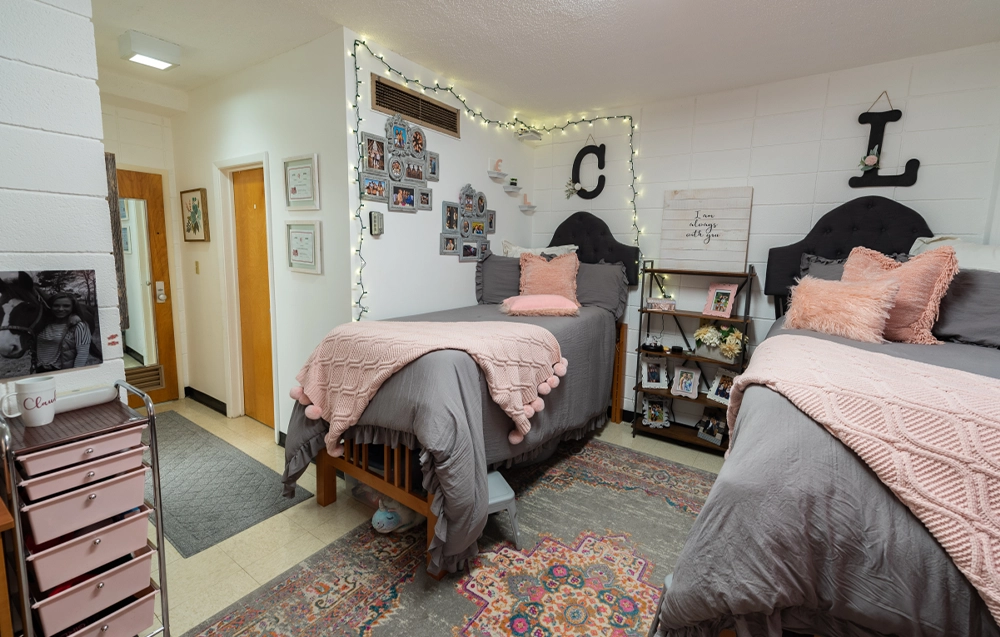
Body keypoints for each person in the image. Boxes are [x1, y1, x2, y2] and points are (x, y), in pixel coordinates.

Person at [36, 293, 92, 371]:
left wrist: (75, 374)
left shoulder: (78, 326)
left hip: (61, 370)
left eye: (66, 306)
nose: (60, 309)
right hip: (40, 369)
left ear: (73, 307)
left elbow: (82, 353)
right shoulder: (43, 324)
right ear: (50, 306)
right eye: (56, 305)